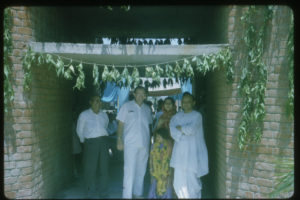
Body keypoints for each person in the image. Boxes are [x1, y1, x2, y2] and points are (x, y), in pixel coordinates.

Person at [169, 92, 209, 198]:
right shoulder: (176, 116)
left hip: (193, 153)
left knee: (193, 181)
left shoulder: (197, 116)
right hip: (179, 153)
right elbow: (172, 131)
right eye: (184, 102)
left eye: (188, 102)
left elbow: (191, 129)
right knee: (178, 182)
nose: (186, 104)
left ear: (193, 103)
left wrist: (180, 128)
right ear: (181, 103)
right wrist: (184, 130)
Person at [116, 86, 153, 199]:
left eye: (143, 94)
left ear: (145, 95)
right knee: (129, 170)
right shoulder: (127, 106)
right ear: (134, 94)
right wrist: (119, 139)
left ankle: (137, 193)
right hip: (130, 144)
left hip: (144, 144)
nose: (140, 96)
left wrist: (150, 143)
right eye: (138, 93)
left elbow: (149, 127)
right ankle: (127, 196)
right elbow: (121, 124)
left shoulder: (147, 109)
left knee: (141, 170)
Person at [76, 94, 110, 198]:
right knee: (90, 169)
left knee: (104, 168)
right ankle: (90, 193)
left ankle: (103, 192)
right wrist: (85, 142)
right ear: (90, 102)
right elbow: (79, 130)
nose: (98, 103)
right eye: (96, 101)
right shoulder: (84, 115)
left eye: (99, 101)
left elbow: (106, 126)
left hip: (103, 142)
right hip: (90, 143)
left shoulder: (104, 115)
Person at [148, 97, 177, 199]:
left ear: (174, 105)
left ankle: (171, 194)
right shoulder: (161, 116)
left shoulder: (177, 116)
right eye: (166, 103)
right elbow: (155, 133)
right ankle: (159, 193)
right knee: (160, 170)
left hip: (173, 146)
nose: (167, 105)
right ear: (163, 105)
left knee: (170, 171)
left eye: (170, 103)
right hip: (161, 148)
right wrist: (160, 124)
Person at [72, 109, 82, 179]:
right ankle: (75, 172)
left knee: (77, 157)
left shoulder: (77, 121)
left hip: (76, 141)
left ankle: (76, 171)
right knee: (73, 157)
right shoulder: (72, 122)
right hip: (73, 141)